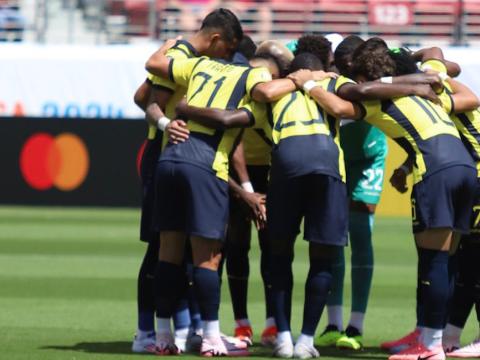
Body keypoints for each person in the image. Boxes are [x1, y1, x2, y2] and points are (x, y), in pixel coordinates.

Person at [295, 37, 477, 360]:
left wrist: (310, 85)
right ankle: (428, 335)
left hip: (435, 171)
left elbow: (340, 105)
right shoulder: (421, 92)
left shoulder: (379, 98)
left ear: (364, 77)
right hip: (465, 168)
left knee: (435, 261)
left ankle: (432, 345)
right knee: (446, 261)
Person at [136, 8, 249, 355]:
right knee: (168, 249)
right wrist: (167, 123)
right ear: (217, 39)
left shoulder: (192, 59)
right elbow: (145, 98)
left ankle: (176, 332)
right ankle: (149, 332)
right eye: (228, 49)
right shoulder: (184, 54)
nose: (228, 58)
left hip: (178, 153)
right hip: (174, 150)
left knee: (177, 250)